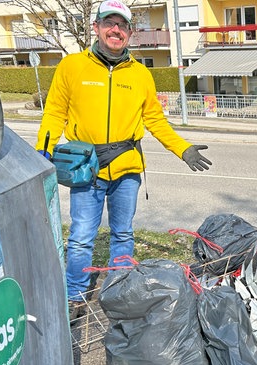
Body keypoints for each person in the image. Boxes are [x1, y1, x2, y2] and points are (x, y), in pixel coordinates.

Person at [35, 0, 212, 317]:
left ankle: (118, 291)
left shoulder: (142, 74)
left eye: (122, 25)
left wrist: (182, 149)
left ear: (130, 32)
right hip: (84, 168)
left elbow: (155, 121)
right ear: (97, 28)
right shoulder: (72, 67)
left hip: (127, 168)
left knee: (122, 234)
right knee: (80, 239)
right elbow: (54, 114)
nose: (115, 30)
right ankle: (75, 296)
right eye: (109, 23)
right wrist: (43, 151)